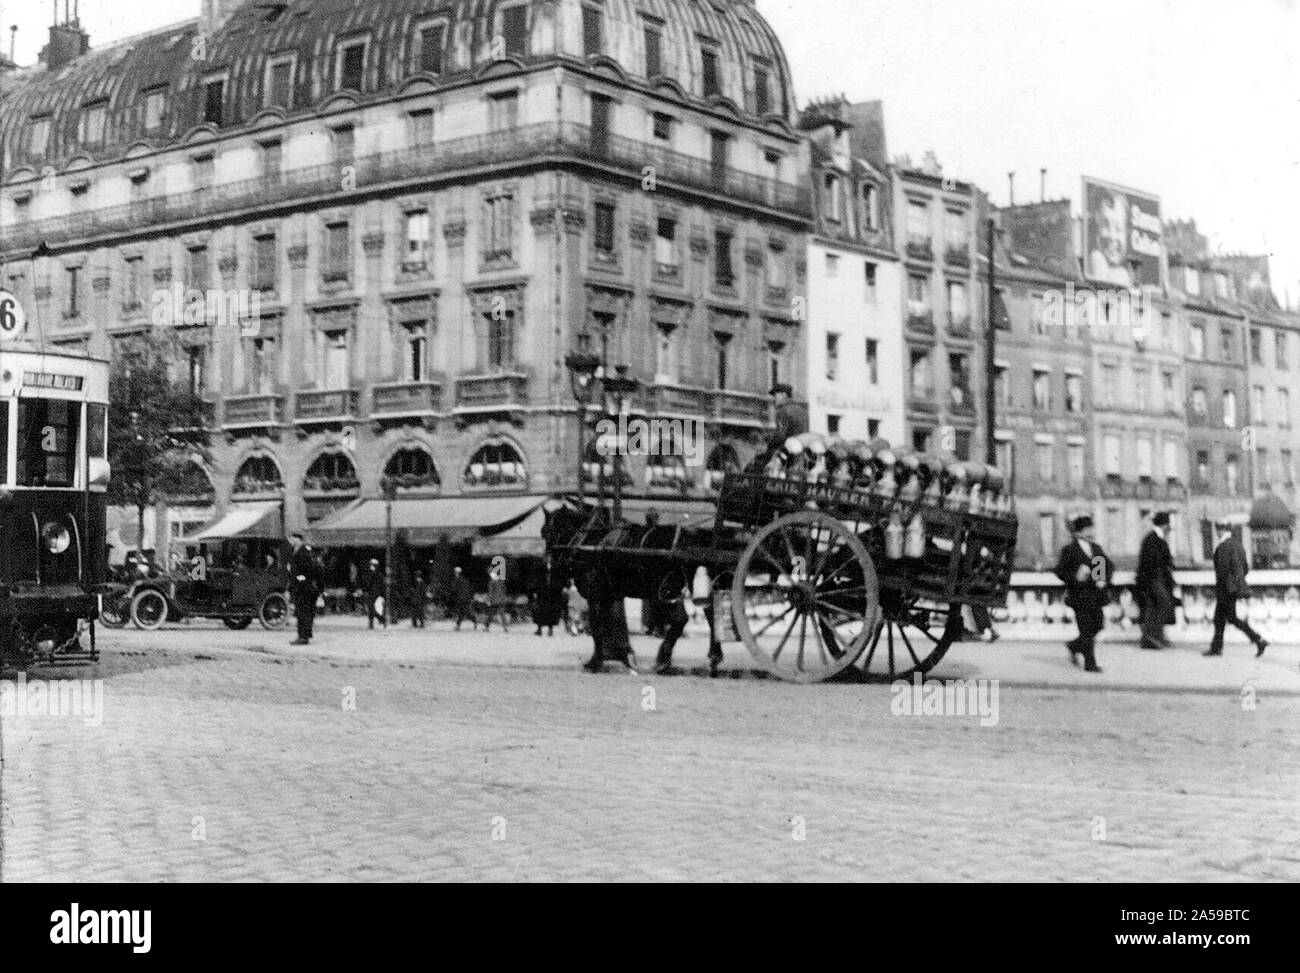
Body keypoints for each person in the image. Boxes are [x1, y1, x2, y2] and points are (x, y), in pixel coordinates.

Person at [1054, 515, 1112, 673]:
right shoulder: (1070, 550)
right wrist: (1075, 576)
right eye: (1088, 529)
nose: (1091, 532)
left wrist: (1103, 579)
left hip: (1096, 597)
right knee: (1086, 629)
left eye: (1092, 529)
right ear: (1079, 532)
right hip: (1079, 596)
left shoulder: (1096, 549)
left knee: (1099, 625)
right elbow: (1060, 571)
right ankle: (1090, 663)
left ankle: (1074, 646)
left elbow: (1107, 567)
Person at [1205, 521, 1269, 658]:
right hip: (1234, 589)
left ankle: (1258, 639)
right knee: (1223, 618)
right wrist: (1236, 582)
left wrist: (1224, 585)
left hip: (1225, 589)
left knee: (1227, 618)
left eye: (1217, 530)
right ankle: (1217, 647)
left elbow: (1221, 571)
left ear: (1220, 531)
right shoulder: (1238, 545)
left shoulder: (1222, 547)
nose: (1216, 533)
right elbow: (1245, 568)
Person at [1135, 511, 1176, 649]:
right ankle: (1151, 636)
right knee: (1162, 603)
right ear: (1165, 525)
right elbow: (1153, 563)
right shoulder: (1153, 539)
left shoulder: (1154, 538)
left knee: (1155, 607)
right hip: (1152, 579)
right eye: (1168, 524)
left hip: (1156, 579)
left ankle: (1153, 636)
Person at [287, 532, 323, 646]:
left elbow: (314, 568)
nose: (290, 541)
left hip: (305, 589)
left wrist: (302, 578)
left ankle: (303, 637)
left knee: (304, 613)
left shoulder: (304, 552)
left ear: (298, 539)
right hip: (301, 588)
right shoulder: (298, 552)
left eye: (292, 539)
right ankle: (303, 635)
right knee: (302, 613)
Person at [449, 566, 476, 631]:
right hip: (466, 598)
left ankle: (474, 620)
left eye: (455, 572)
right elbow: (470, 589)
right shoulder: (465, 580)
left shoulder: (457, 580)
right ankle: (473, 621)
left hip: (461, 598)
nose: (454, 573)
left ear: (457, 572)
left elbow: (454, 589)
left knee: (463, 612)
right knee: (463, 612)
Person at [363, 557, 384, 629]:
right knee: (371, 608)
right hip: (374, 592)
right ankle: (379, 619)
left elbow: (368, 582)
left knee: (370, 607)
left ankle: (377, 620)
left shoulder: (374, 573)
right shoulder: (377, 573)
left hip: (373, 592)